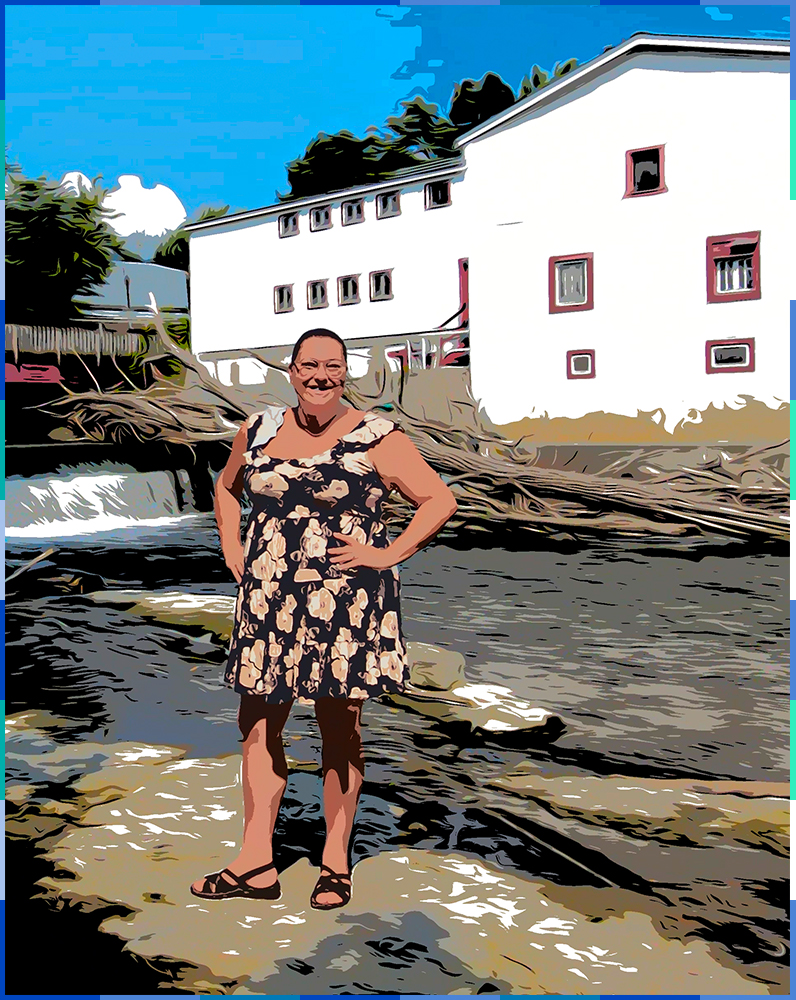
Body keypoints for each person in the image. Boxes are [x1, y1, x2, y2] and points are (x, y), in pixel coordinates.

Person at [191, 328, 457, 910]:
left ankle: (335, 863)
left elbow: (438, 500)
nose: (320, 376)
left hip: (345, 600)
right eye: (309, 365)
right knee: (258, 727)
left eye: (332, 366)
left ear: (345, 372)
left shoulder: (377, 436)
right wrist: (235, 554)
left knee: (339, 729)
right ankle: (255, 860)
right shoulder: (258, 429)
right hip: (268, 602)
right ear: (291, 371)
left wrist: (387, 553)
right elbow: (228, 489)